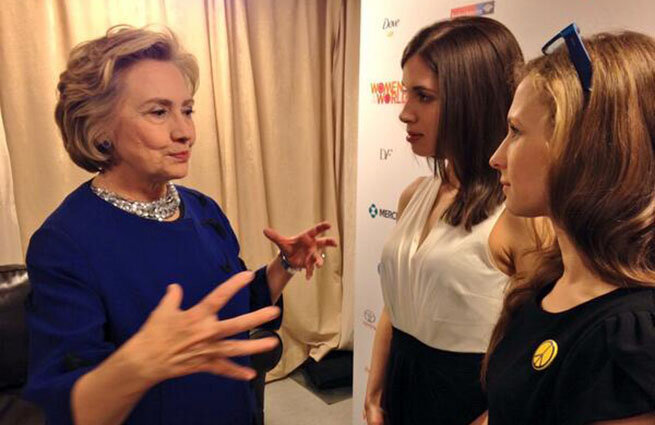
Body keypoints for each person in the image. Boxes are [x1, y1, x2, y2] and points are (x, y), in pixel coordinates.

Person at [23, 25, 336, 425]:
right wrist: (142, 364)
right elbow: (70, 411)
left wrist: (284, 266)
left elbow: (233, 311)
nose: (185, 132)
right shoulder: (65, 243)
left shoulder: (203, 210)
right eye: (159, 112)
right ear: (99, 128)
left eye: (187, 110)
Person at [364, 16, 536, 425]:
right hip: (402, 389)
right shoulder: (414, 195)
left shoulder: (520, 215)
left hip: (466, 400)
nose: (404, 113)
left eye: (423, 96)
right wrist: (373, 392)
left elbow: (535, 348)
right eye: (406, 94)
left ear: (471, 98)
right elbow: (395, 305)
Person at [484, 27, 655, 424]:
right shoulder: (549, 282)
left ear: (582, 147)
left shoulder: (628, 338)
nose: (497, 157)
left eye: (516, 131)